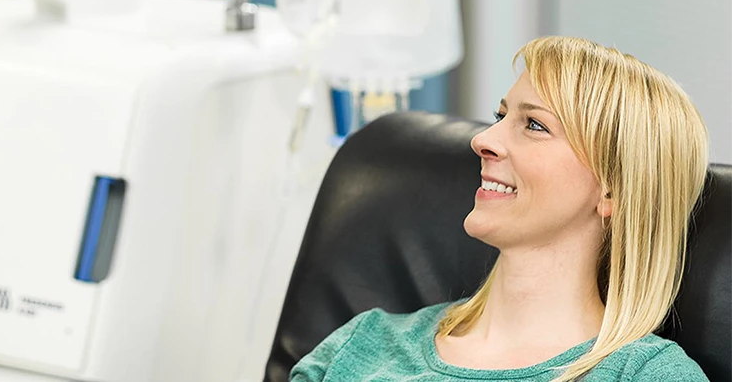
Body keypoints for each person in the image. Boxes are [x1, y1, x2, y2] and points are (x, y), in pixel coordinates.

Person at [290, 36, 709, 381]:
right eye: (500, 115)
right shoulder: (364, 344)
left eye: (535, 125)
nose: (483, 139)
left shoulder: (645, 375)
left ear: (612, 190)